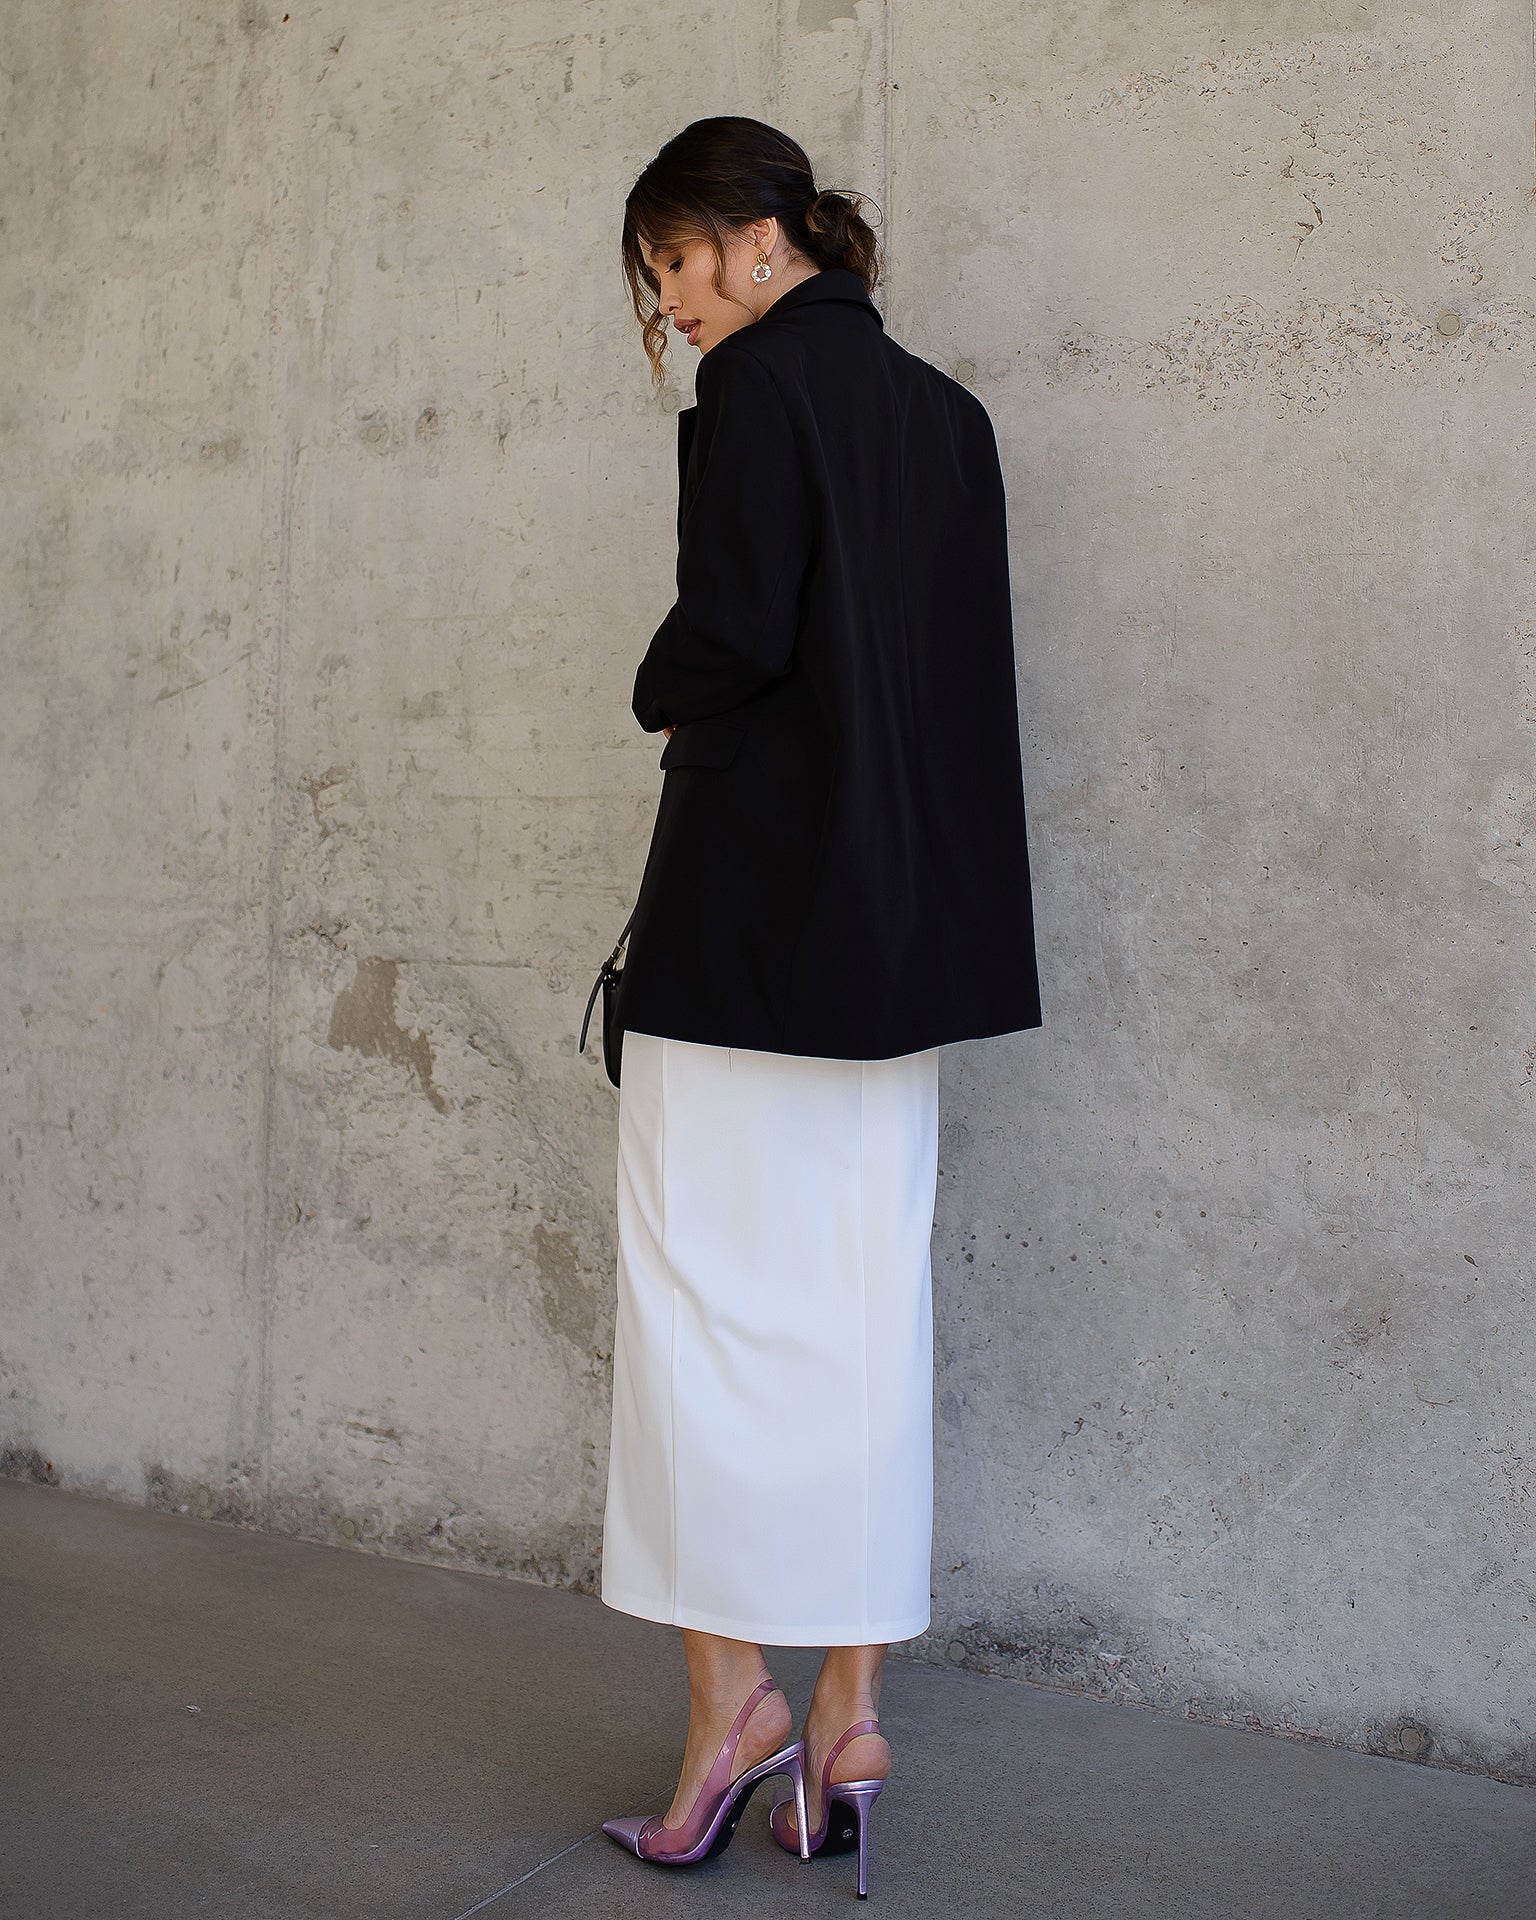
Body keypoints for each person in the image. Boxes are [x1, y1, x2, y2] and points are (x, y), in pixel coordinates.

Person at [596, 116, 1042, 1896]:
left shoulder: (758, 390)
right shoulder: (948, 419)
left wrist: (655, 681)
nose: (673, 306)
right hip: (897, 956)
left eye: (677, 264)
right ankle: (851, 1717)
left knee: (694, 1319)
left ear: (761, 235)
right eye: (656, 281)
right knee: (862, 1313)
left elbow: (731, 630)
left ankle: (731, 1713)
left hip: (743, 946)